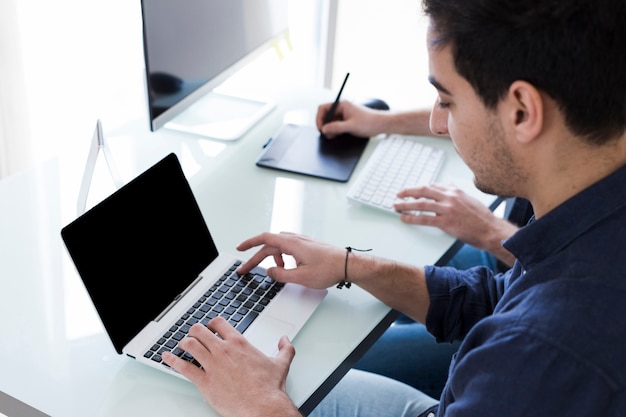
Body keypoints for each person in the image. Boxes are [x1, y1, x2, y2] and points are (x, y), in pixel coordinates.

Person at [163, 0, 626, 416]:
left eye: (447, 100)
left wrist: (261, 406)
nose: (435, 122)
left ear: (522, 111)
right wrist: (350, 265)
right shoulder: (588, 210)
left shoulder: (539, 353)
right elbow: (493, 298)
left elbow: (522, 332)